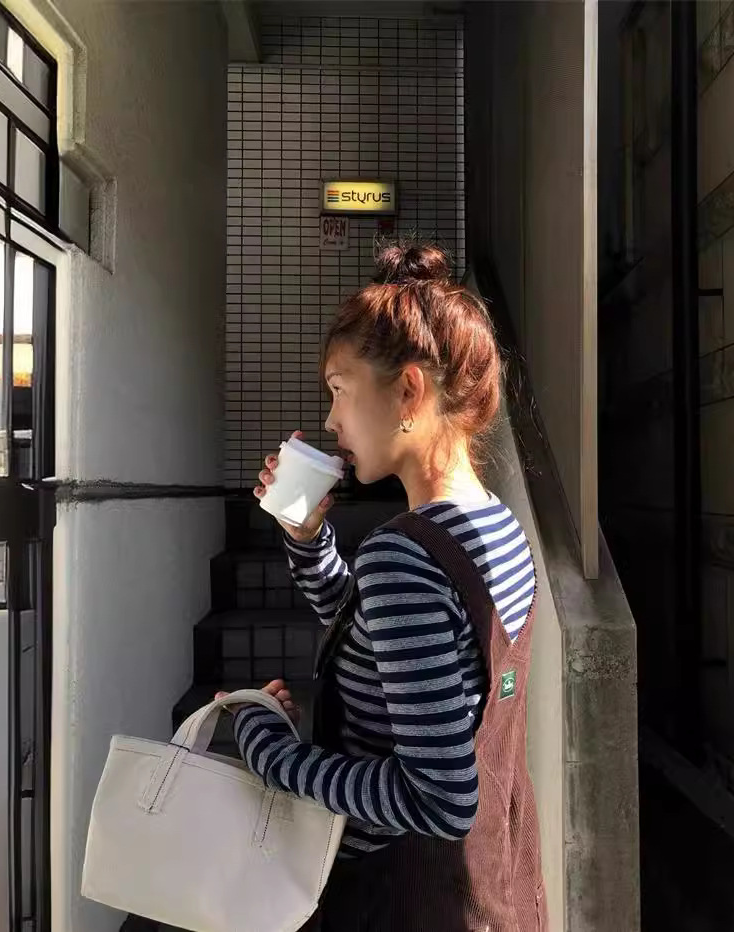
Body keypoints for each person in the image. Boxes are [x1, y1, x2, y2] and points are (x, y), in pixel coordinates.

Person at [216, 240, 546, 931]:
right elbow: (375, 631)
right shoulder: (500, 528)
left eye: (339, 389)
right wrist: (308, 537)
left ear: (408, 391)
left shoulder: (403, 556)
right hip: (483, 885)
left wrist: (273, 752)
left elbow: (438, 800)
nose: (331, 418)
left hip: (395, 896)